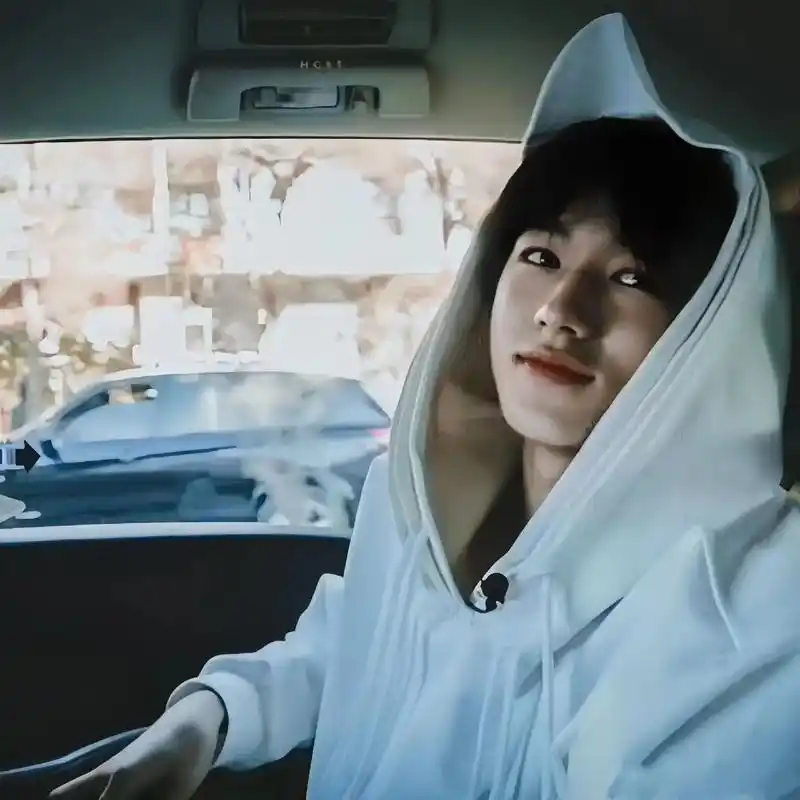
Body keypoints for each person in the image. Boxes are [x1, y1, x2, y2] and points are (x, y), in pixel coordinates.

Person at [53, 13, 800, 800]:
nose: (561, 310)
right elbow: (349, 645)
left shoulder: (757, 603)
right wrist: (207, 719)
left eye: (631, 277)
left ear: (706, 328)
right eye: (541, 255)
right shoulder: (414, 501)